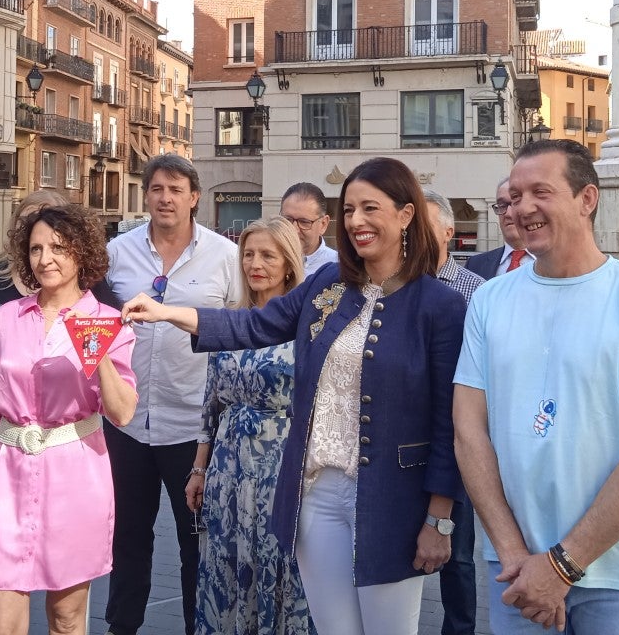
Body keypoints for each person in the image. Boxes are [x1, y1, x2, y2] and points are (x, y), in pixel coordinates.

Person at [124, 157, 467, 635]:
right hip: (317, 494)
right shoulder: (329, 286)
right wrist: (168, 313)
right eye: (348, 210)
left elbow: (448, 424)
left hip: (393, 501)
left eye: (371, 208)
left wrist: (440, 518)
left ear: (406, 214)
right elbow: (253, 324)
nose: (356, 222)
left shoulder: (442, 305)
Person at [453, 139, 619, 634]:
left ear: (587, 199)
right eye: (514, 196)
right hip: (514, 570)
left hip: (616, 573)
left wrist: (561, 565)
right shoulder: (489, 301)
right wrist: (516, 554)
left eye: (540, 191)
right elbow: (469, 434)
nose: (522, 208)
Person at [0, 202, 138, 635]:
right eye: (37, 249)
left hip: (75, 478)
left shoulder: (109, 322)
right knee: (3, 626)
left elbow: (122, 412)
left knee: (65, 620)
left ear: (82, 252)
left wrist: (94, 353)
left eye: (58, 247)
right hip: (7, 477)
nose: (45, 259)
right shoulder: (5, 319)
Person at [103, 153, 241, 635]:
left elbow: (240, 329)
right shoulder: (118, 252)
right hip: (126, 424)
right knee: (128, 541)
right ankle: (122, 628)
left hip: (193, 427)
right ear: (147, 195)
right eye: (157, 188)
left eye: (176, 189)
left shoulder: (224, 255)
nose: (165, 198)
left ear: (194, 197)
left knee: (195, 544)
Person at [188, 217, 314, 635]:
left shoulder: (307, 328)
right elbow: (211, 405)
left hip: (281, 466)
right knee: (225, 563)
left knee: (279, 566)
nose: (255, 263)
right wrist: (199, 469)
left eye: (267, 255)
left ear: (289, 263)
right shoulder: (230, 320)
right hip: (227, 469)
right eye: (248, 254)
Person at [0, 191, 123, 481]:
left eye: (56, 239)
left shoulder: (93, 294)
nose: (45, 252)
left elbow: (111, 364)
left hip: (62, 439)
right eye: (30, 221)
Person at [423, 190, 484, 635]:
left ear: (448, 231)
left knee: (457, 554)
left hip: (454, 437)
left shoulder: (475, 293)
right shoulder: (392, 288)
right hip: (400, 438)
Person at [466, 179, 533, 280]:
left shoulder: (558, 264)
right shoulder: (475, 265)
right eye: (502, 205)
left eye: (516, 203)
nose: (508, 214)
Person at [281, 181, 338, 275]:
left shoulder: (339, 268)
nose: (294, 229)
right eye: (288, 220)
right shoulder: (262, 262)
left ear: (323, 224)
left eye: (304, 222)